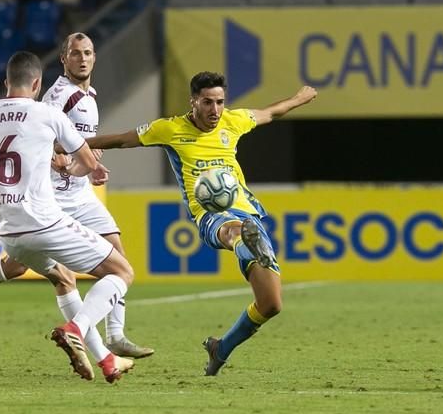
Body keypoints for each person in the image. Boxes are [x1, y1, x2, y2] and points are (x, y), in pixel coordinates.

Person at [0, 33, 153, 360]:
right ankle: (93, 342)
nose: (82, 58)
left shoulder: (88, 94)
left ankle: (113, 338)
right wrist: (64, 161)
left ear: (95, 57)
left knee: (113, 258)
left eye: (88, 52)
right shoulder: (56, 99)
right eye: (75, 53)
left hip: (79, 194)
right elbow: (32, 137)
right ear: (62, 61)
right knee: (29, 269)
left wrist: (83, 163)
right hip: (53, 196)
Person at [84, 71, 318, 376]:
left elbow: (271, 112)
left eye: (220, 102)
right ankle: (241, 240)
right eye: (208, 102)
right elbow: (120, 139)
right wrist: (68, 146)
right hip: (211, 216)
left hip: (249, 214)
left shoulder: (233, 122)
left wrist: (300, 98)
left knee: (271, 303)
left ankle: (220, 348)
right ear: (193, 101)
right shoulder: (169, 129)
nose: (215, 110)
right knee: (233, 229)